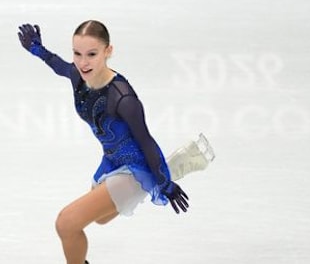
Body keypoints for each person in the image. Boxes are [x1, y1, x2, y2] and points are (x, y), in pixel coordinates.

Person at [17, 20, 189, 264]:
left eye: (92, 54)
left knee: (66, 224)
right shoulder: (78, 76)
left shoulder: (122, 97)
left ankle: (151, 177)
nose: (83, 63)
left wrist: (165, 183)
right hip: (111, 161)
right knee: (100, 218)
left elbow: (146, 142)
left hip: (134, 167)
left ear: (108, 51)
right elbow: (59, 65)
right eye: (77, 53)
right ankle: (152, 178)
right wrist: (37, 49)